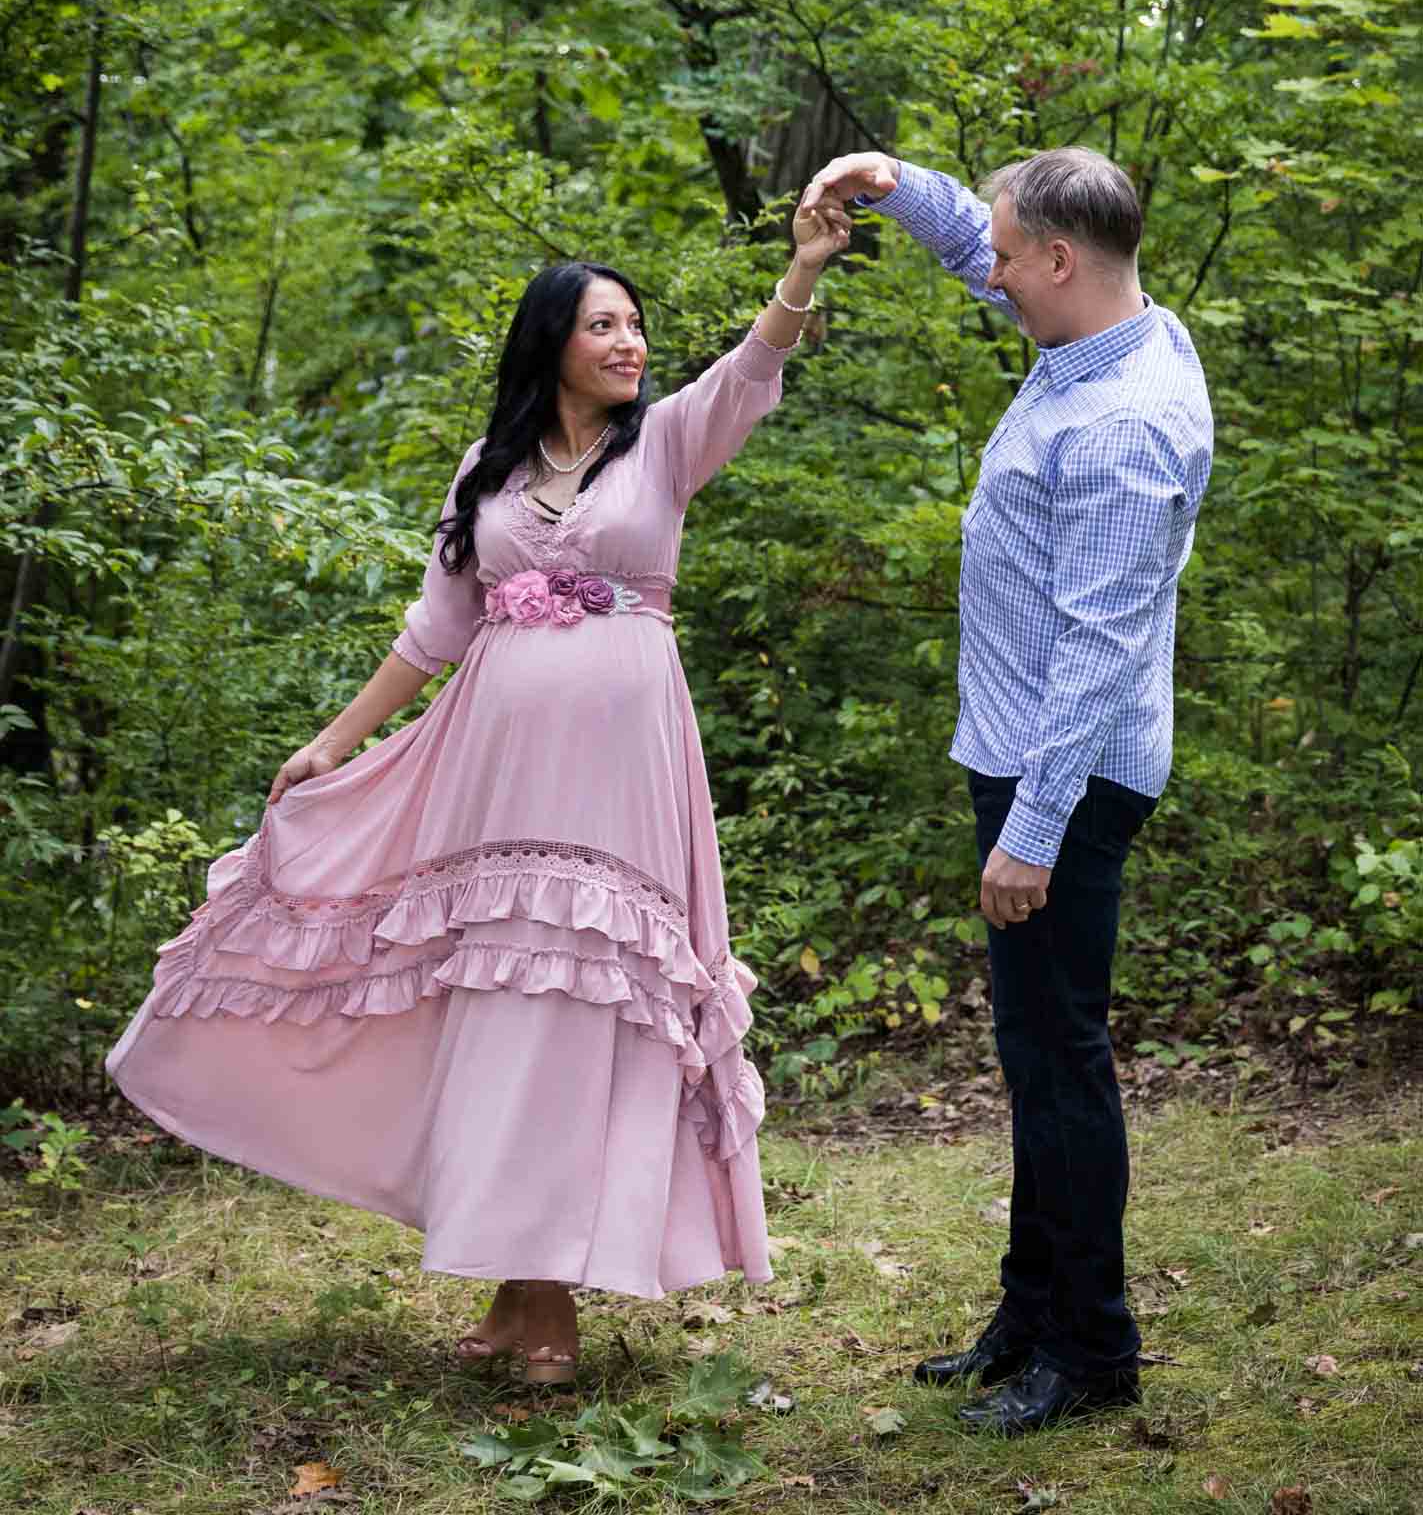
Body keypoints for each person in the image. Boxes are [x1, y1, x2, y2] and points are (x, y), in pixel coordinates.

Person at [108, 202, 847, 1386]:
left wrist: (802, 267)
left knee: (571, 1006)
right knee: (501, 1001)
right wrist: (333, 741)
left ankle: (548, 1298)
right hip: (491, 779)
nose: (630, 340)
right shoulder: (487, 471)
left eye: (637, 323)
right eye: (602, 322)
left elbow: (751, 366)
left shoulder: (662, 445)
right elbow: (433, 629)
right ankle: (518, 1289)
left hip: (618, 779)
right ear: (549, 339)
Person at [800, 147, 1212, 1436]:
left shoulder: (1124, 419)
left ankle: (1092, 1350)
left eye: (1004, 250)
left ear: (1060, 261)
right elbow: (975, 259)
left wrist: (1029, 832)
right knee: (1032, 1060)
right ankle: (1027, 1312)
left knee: (1062, 1063)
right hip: (1029, 756)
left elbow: (1098, 647)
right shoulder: (1100, 332)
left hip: (1065, 778)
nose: (990, 270)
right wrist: (889, 179)